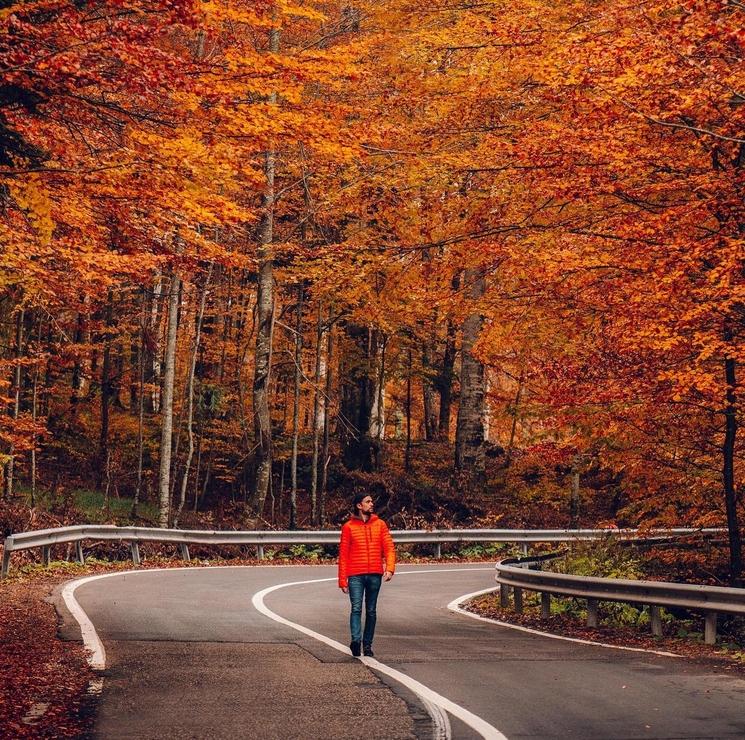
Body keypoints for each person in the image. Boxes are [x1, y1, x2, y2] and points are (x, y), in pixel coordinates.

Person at [338, 493, 395, 657]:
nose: (371, 504)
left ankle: (367, 645)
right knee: (356, 608)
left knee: (371, 610)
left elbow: (389, 548)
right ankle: (356, 641)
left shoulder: (380, 525)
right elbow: (343, 555)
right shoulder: (348, 527)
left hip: (375, 574)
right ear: (359, 505)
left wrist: (389, 568)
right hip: (355, 574)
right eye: (368, 502)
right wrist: (343, 580)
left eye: (372, 501)